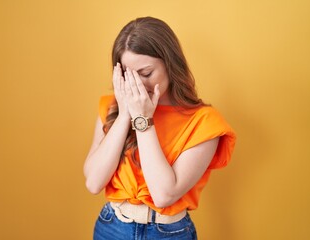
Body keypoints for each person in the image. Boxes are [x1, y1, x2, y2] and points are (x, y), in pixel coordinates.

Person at [83, 16, 236, 240]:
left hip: (168, 233)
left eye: (146, 74)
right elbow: (94, 182)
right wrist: (125, 114)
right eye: (129, 76)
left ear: (170, 64)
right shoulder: (111, 108)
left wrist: (143, 120)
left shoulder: (204, 122)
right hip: (112, 226)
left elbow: (164, 194)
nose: (138, 85)